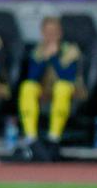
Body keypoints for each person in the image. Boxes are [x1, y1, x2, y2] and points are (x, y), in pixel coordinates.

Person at [17, 16, 81, 160]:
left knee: (61, 87)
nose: (51, 35)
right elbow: (32, 77)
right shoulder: (38, 51)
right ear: (42, 33)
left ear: (60, 33)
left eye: (54, 32)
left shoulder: (70, 50)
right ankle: (31, 138)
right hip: (44, 92)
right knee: (27, 87)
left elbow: (66, 76)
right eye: (47, 32)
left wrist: (54, 56)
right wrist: (45, 57)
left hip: (68, 91)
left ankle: (54, 138)